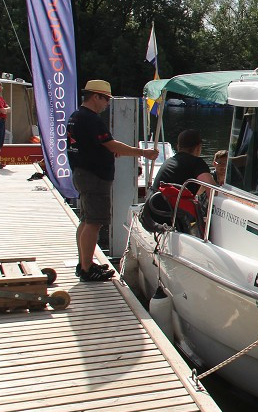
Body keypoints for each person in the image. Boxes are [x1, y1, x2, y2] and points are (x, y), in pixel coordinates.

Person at [68, 79, 159, 282]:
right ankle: (86, 268)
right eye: (106, 99)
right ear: (95, 97)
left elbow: (94, 145)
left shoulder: (76, 116)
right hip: (94, 176)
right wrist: (142, 152)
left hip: (83, 173)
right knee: (94, 222)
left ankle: (84, 262)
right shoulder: (91, 119)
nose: (107, 103)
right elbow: (111, 144)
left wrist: (106, 151)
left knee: (86, 220)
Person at [151, 129, 216, 196]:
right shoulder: (196, 162)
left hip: (153, 203)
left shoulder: (169, 162)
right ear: (198, 148)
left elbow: (197, 191)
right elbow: (213, 191)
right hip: (169, 205)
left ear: (178, 147)